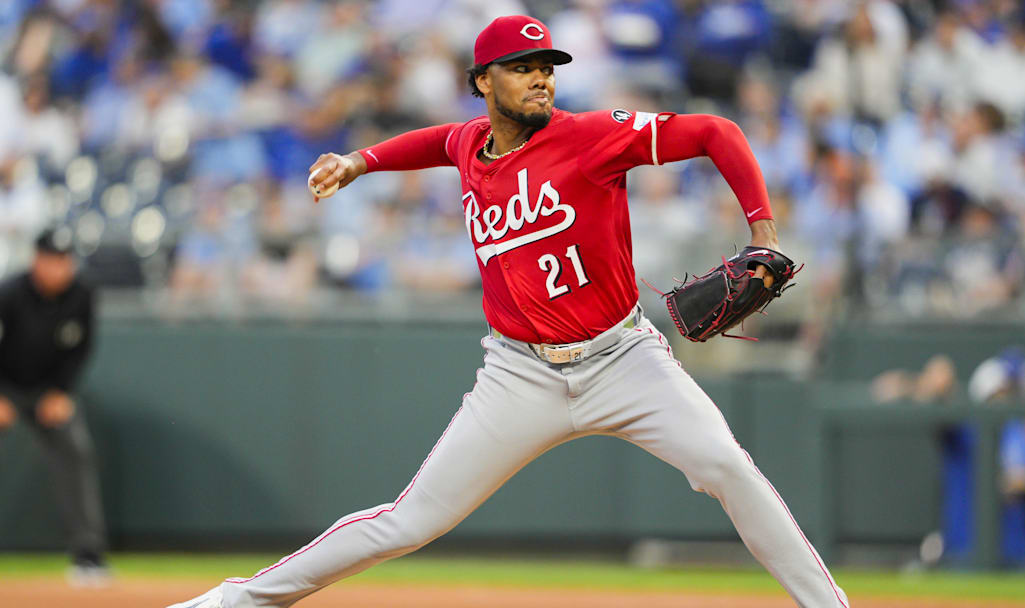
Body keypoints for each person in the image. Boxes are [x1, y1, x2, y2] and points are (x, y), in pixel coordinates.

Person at [170, 15, 848, 608]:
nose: (540, 78)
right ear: (482, 82)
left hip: (624, 358)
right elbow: (435, 142)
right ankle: (238, 599)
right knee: (411, 520)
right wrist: (361, 161)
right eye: (522, 68)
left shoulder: (591, 136)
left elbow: (716, 131)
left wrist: (763, 231)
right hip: (519, 375)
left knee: (729, 468)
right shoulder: (470, 143)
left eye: (546, 67)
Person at [0, 228, 108, 585]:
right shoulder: (9, 293)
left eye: (65, 260)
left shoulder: (82, 294)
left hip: (49, 392)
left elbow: (82, 348)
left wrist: (62, 391)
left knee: (76, 450)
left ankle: (88, 556)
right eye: (52, 259)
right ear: (36, 260)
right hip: (6, 387)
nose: (59, 267)